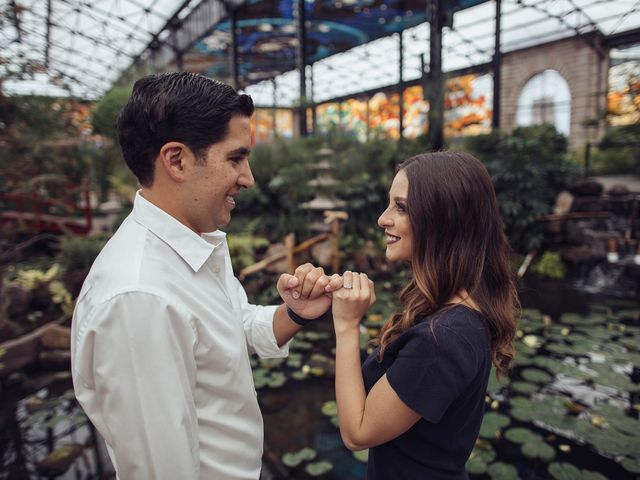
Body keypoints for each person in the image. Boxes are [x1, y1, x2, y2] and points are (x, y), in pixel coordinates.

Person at [70, 72, 341, 479]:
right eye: (235, 158)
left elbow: (231, 328)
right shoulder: (140, 298)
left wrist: (295, 313)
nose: (248, 178)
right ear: (176, 159)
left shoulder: (194, 244)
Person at [331, 151, 519, 479]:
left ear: (442, 219)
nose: (383, 219)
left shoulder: (443, 339)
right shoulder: (455, 312)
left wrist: (347, 325)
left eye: (401, 207)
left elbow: (357, 433)